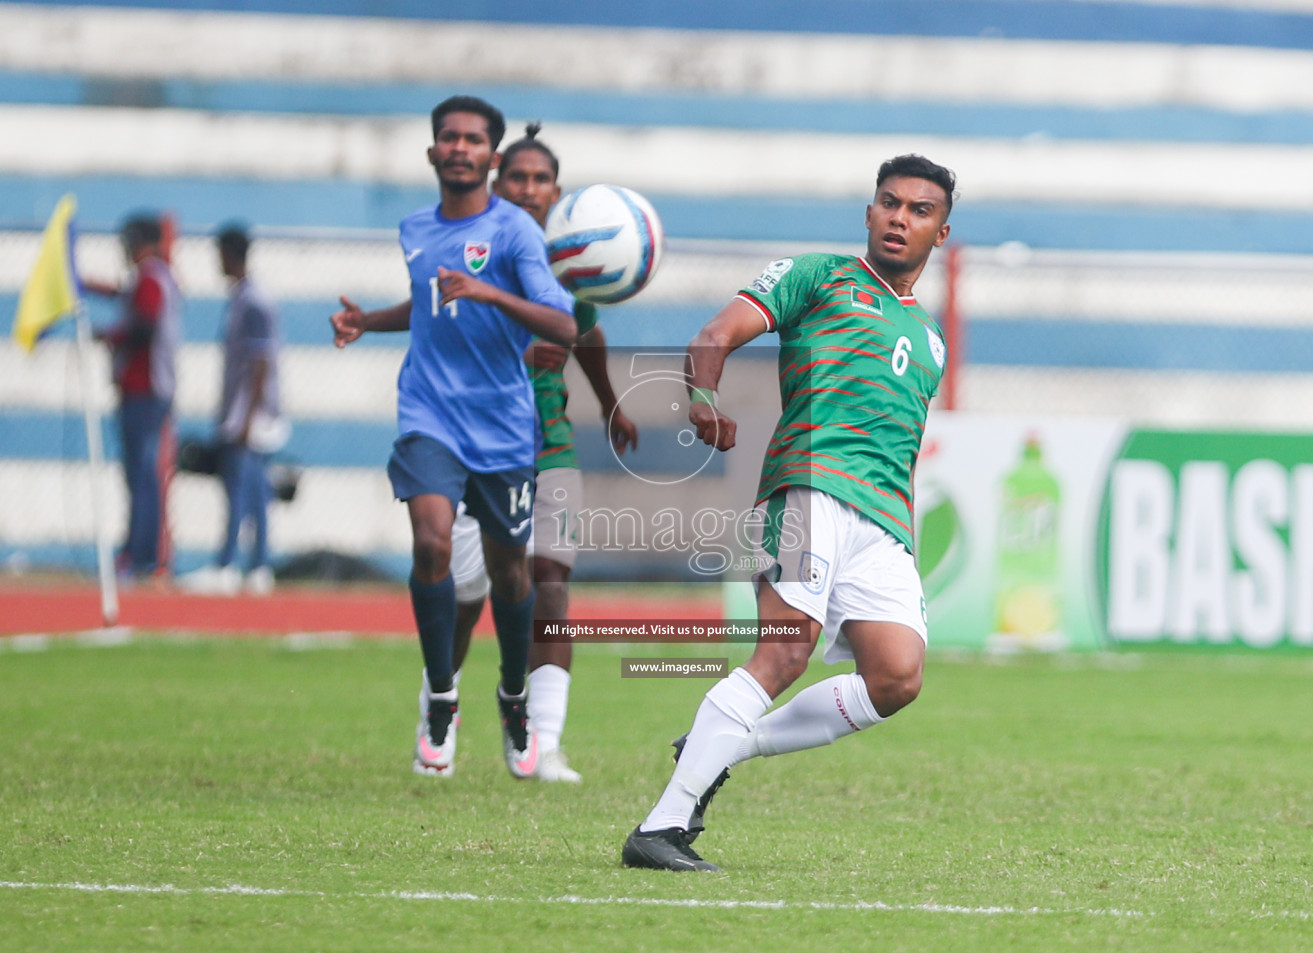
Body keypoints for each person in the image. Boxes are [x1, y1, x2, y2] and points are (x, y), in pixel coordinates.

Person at [621, 154, 957, 871]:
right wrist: (702, 401)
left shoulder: (930, 340)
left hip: (884, 523)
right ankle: (662, 827)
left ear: (942, 231)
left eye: (918, 210)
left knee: (897, 677)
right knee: (784, 650)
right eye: (889, 204)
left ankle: (723, 743)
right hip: (808, 489)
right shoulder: (817, 276)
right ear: (869, 213)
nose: (900, 218)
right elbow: (713, 337)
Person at [330, 95, 578, 780]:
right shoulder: (414, 226)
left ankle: (513, 696)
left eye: (473, 139)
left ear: (490, 157)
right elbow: (430, 299)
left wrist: (490, 293)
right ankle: (442, 697)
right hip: (428, 415)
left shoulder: (516, 234)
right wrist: (368, 322)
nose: (461, 147)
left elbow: (563, 327)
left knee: (509, 574)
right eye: (450, 138)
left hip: (501, 426)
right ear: (433, 152)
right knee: (432, 542)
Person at [437, 123, 640, 783]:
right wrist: (519, 350)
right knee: (469, 592)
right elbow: (440, 336)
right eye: (517, 178)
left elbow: (589, 333)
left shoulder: (569, 265)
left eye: (540, 179)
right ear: (498, 183)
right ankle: (437, 709)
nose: (529, 189)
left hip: (550, 448)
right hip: (478, 446)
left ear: (556, 192)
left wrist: (609, 405)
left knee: (550, 588)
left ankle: (544, 743)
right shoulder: (467, 253)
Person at [178, 223, 283, 596]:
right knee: (254, 492)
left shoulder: (253, 301)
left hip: (249, 416)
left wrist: (248, 417)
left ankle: (229, 563)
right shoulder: (242, 297)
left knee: (240, 490)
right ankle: (257, 566)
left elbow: (260, 363)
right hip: (243, 412)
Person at [89, 213, 182, 581]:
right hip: (140, 390)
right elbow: (122, 295)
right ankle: (137, 553)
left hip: (146, 390)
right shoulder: (149, 278)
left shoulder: (152, 277)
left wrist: (110, 337)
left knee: (142, 474)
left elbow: (143, 326)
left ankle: (141, 556)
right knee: (137, 475)